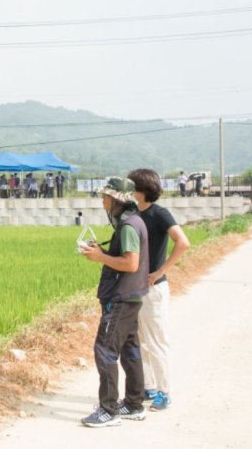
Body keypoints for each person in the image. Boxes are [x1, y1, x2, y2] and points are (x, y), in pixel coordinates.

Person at [79, 177, 149, 427]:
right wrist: (104, 253)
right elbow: (125, 259)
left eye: (106, 196)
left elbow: (130, 263)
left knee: (105, 350)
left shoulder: (129, 226)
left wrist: (100, 257)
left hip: (121, 298)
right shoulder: (131, 222)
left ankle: (108, 410)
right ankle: (133, 404)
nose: (103, 200)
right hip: (132, 296)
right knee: (130, 350)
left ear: (118, 199)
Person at [127, 168, 190, 412]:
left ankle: (165, 392)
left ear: (141, 191)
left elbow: (183, 242)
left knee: (157, 341)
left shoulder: (159, 213)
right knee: (142, 340)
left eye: (132, 187)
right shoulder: (135, 214)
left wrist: (161, 270)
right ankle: (149, 387)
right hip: (136, 287)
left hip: (154, 288)